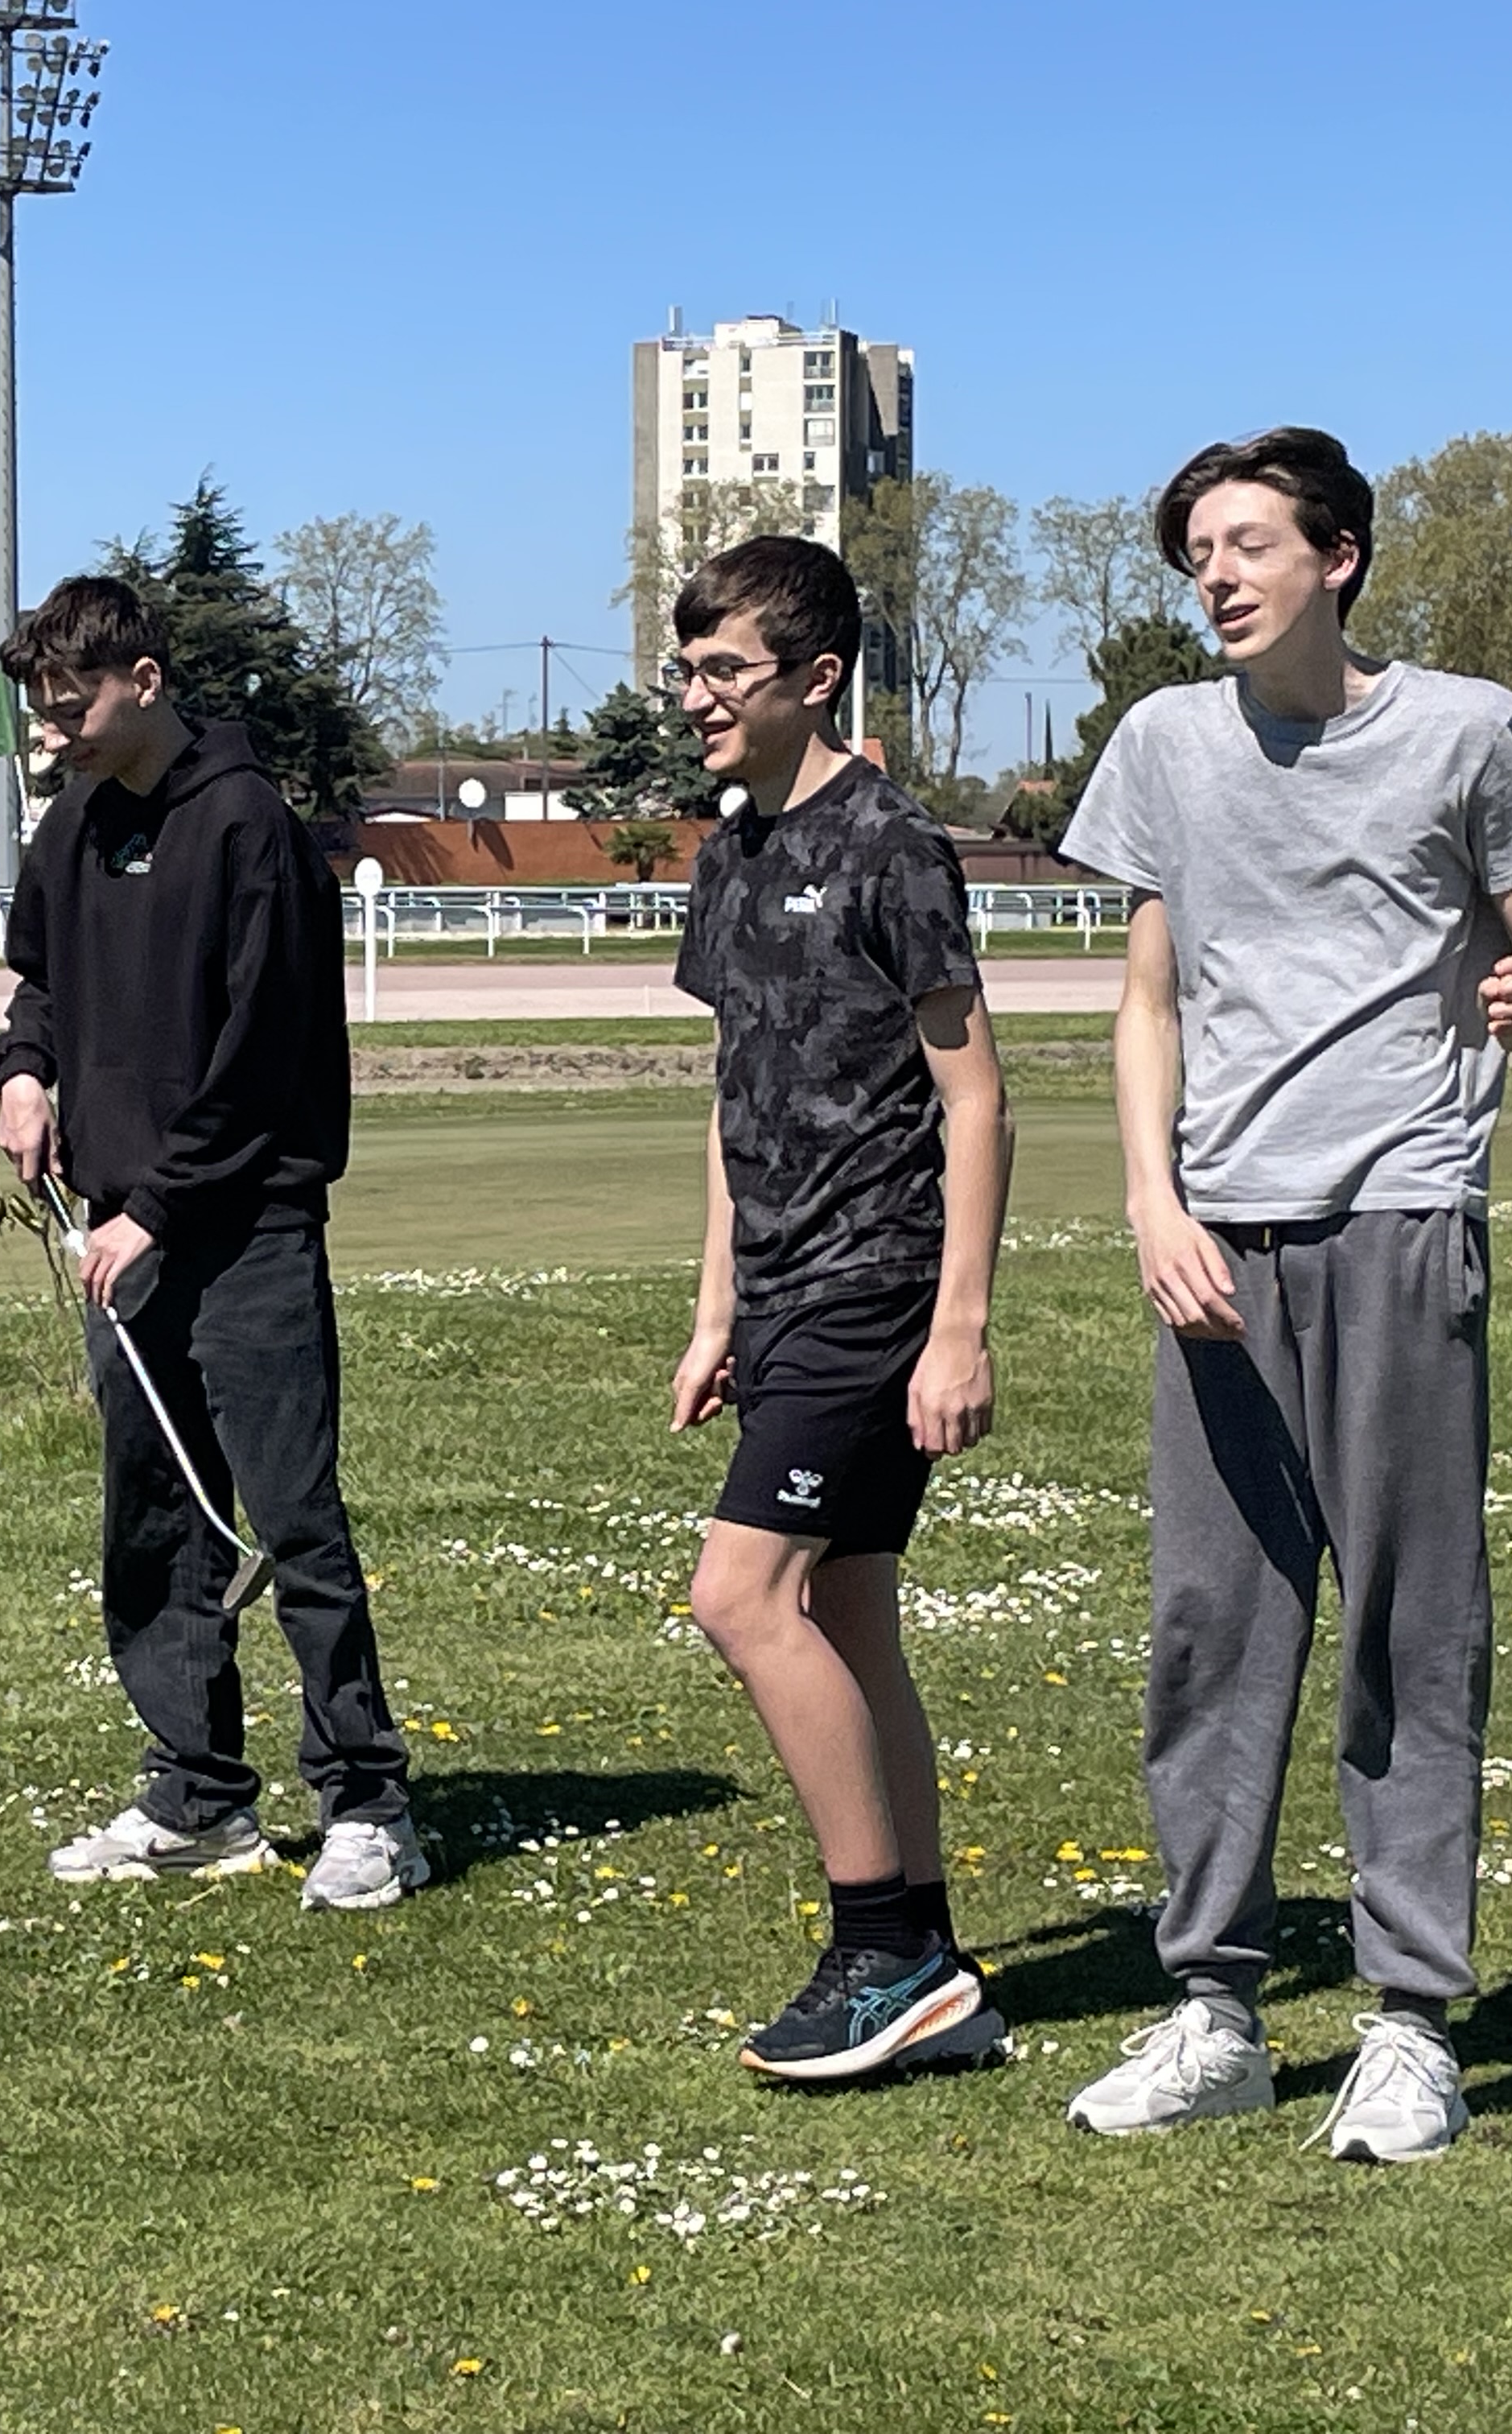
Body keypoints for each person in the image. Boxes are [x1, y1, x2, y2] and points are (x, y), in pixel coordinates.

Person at [1055, 427, 1512, 2160]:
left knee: (1412, 1625)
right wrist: (1154, 1201)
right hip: (1217, 1237)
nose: (1215, 575)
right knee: (1211, 1629)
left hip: (1404, 1213)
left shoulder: (1466, 731)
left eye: (1246, 544)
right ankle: (1215, 2011)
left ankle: (1411, 2022)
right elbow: (1148, 1001)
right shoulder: (1164, 745)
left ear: (1337, 556)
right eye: (1197, 552)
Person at [0, 573, 422, 1910]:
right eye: (40, 709)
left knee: (292, 1524)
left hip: (245, 1232)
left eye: (71, 706)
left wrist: (154, 1209)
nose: (51, 732)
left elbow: (261, 1060)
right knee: (155, 1526)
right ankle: (196, 1794)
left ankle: (368, 1804)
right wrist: (24, 1073)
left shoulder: (249, 828)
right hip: (126, 1235)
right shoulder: (74, 821)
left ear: (146, 681)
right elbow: (41, 982)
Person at [665, 535, 1016, 2082]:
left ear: (816, 680)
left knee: (741, 1598)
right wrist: (715, 1311)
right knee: (851, 1610)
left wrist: (959, 1328)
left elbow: (977, 1099)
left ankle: (881, 1955)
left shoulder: (893, 845)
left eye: (723, 670)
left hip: (877, 1283)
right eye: (685, 671)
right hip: (783, 1292)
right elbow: (733, 1098)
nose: (697, 697)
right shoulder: (728, 853)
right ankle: (931, 1958)